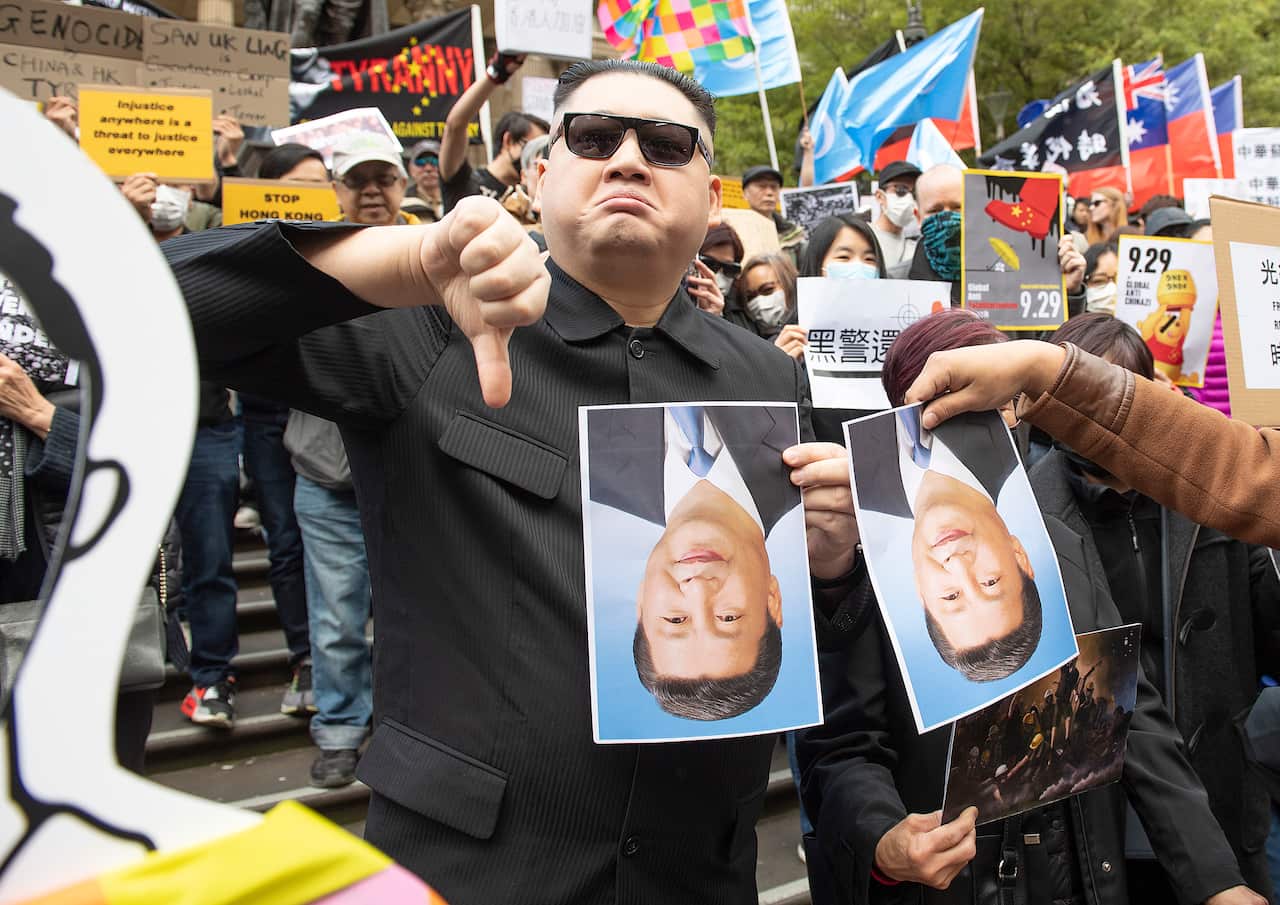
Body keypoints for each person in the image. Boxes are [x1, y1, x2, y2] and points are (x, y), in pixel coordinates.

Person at [162, 58, 861, 901]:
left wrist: (830, 561)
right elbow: (142, 305)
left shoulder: (768, 380)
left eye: (668, 145)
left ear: (714, 199)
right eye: (595, 138)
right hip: (472, 869)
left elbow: (803, 634)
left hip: (698, 869)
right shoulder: (425, 324)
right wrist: (409, 260)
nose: (630, 160)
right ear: (537, 173)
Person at [799, 308, 1266, 905]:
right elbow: (841, 747)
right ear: (903, 417)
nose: (973, 431)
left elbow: (1126, 709)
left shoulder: (1058, 540)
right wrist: (885, 839)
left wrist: (1216, 879)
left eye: (992, 404)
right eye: (944, 409)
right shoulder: (856, 558)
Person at [1031, 313, 1280, 900]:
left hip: (1217, 784)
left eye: (1113, 400)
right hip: (1102, 811)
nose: (1096, 426)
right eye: (1077, 401)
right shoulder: (1030, 516)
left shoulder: (1208, 503)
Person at [903, 339, 1280, 549]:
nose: (961, 572)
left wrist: (1042, 369)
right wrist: (1042, 369)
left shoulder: (1210, 530)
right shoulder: (1039, 517)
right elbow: (1245, 470)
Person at [587, 405, 798, 720]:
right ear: (772, 600)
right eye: (728, 617)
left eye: (675, 620)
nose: (697, 588)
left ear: (642, 604)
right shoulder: (804, 455)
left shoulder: (591, 460)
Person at [849, 400, 1041, 682]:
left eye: (952, 596)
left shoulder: (855, 487)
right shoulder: (1004, 411)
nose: (958, 564)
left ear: (921, 591)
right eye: (990, 582)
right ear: (1019, 556)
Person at [437, 51, 549, 215]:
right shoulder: (464, 182)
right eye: (532, 148)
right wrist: (496, 74)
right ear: (509, 141)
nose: (538, 158)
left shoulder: (531, 197)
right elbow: (455, 125)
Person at [330, 132, 419, 228]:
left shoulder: (431, 241)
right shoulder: (317, 241)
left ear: (403, 185)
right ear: (336, 191)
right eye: (356, 181)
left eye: (384, 179)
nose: (371, 190)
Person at [742, 164, 805, 264]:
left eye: (774, 187)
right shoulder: (734, 231)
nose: (769, 192)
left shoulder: (793, 235)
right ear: (745, 194)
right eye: (762, 186)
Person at [869, 160, 921, 277]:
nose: (908, 198)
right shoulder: (862, 237)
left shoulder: (917, 247)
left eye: (914, 193)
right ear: (880, 197)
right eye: (901, 190)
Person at [402, 139, 443, 222]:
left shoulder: (458, 200)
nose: (428, 168)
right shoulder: (402, 204)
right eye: (420, 162)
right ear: (411, 168)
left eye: (434, 161)